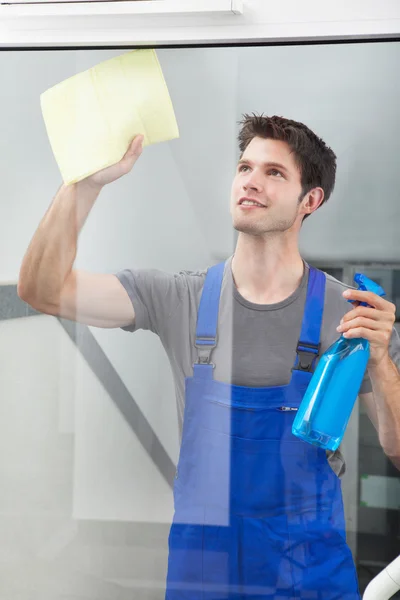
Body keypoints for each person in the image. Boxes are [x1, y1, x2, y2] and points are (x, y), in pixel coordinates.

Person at [18, 114, 400, 599]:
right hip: (203, 576)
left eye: (274, 173)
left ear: (311, 200)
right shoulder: (181, 298)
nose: (251, 182)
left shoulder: (350, 318)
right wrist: (84, 183)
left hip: (309, 577)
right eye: (245, 167)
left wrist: (382, 361)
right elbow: (43, 290)